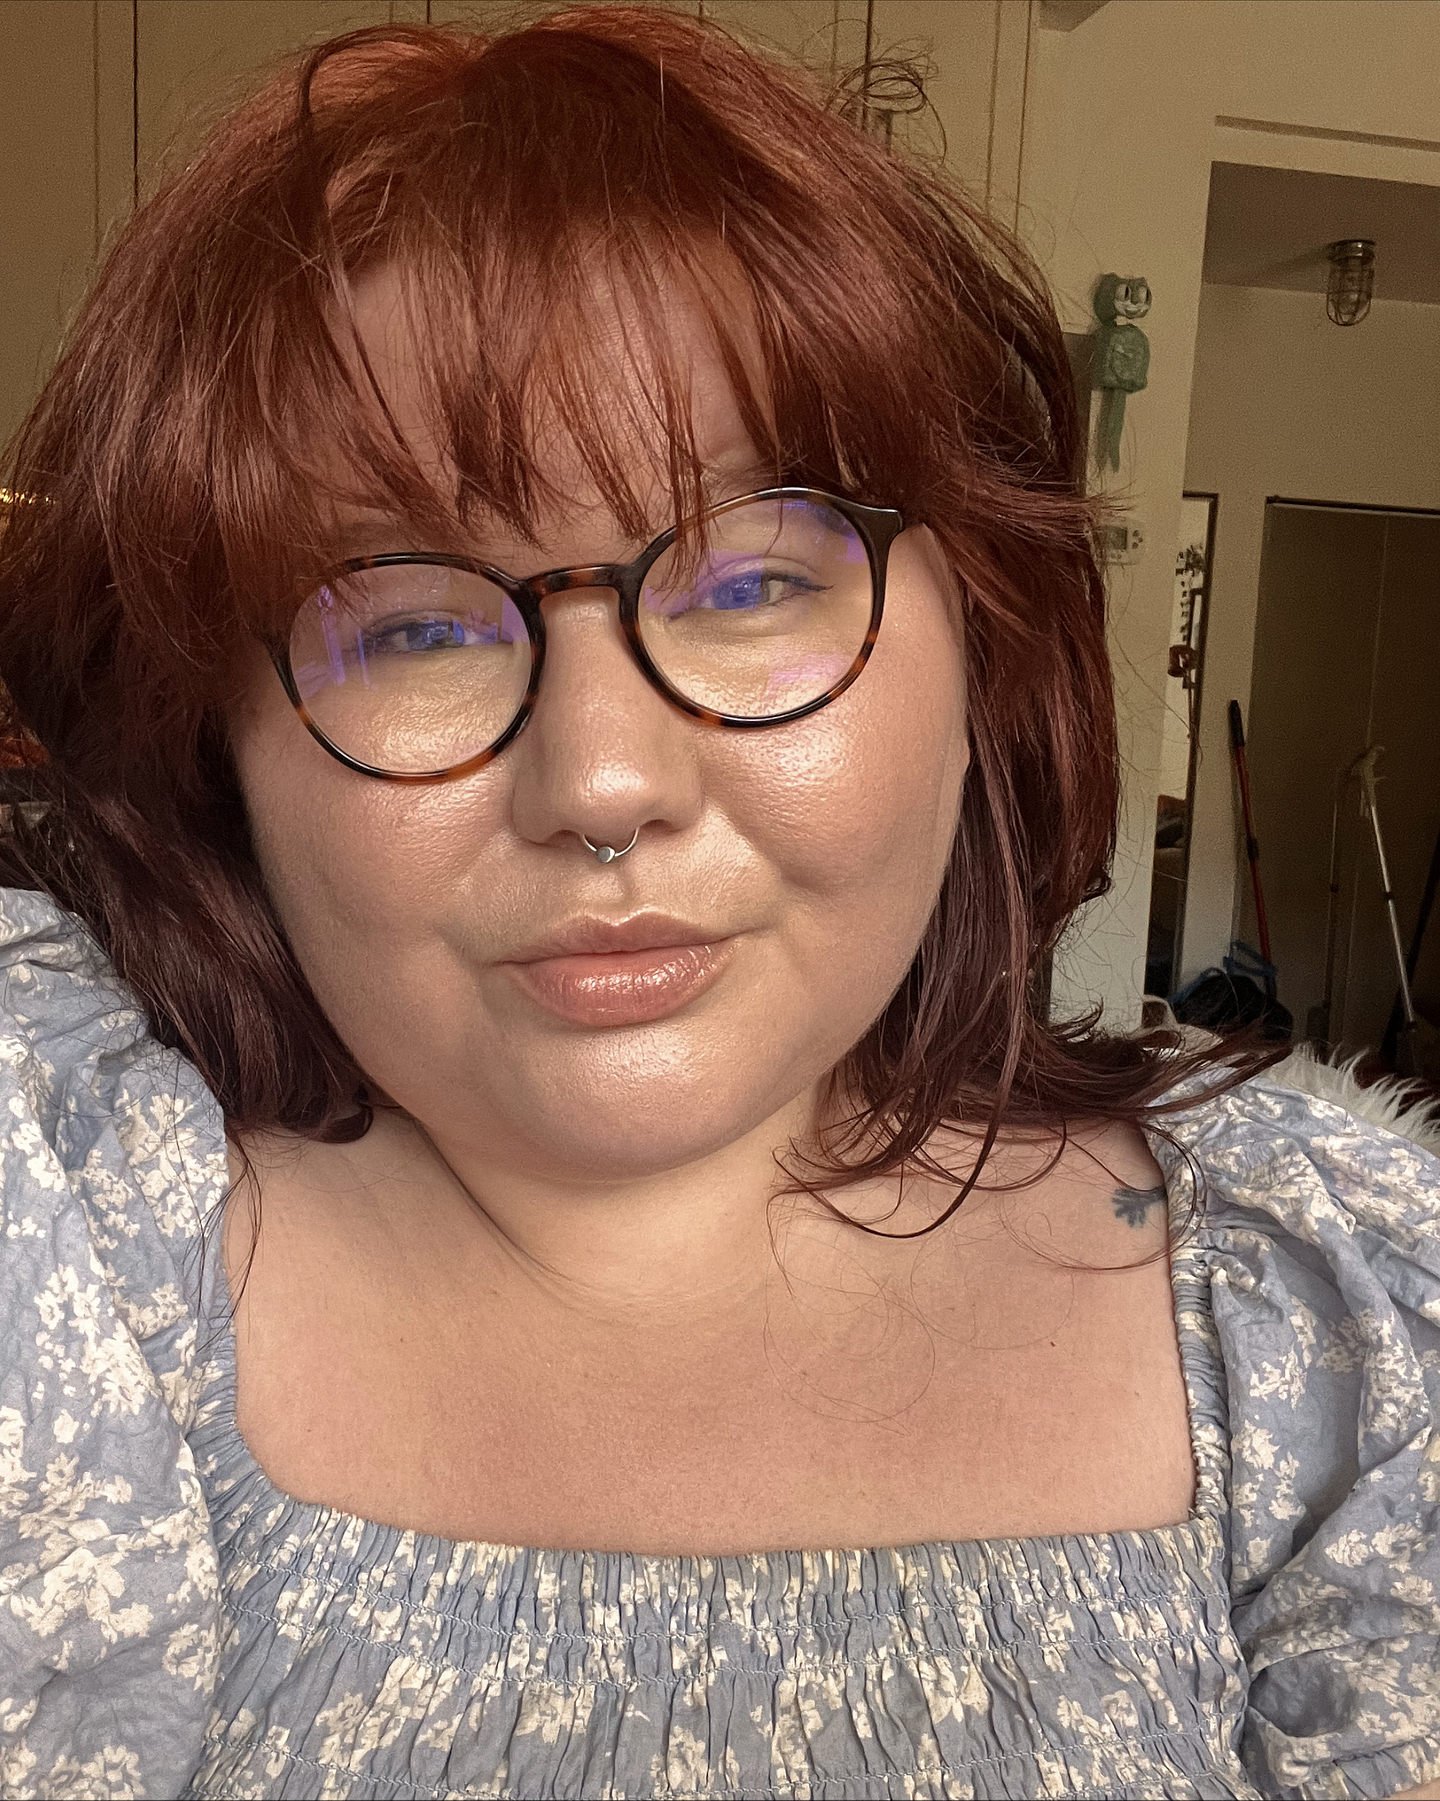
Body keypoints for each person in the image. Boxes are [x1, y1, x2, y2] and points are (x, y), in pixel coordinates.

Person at [0, 8, 1437, 1798]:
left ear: (985, 646)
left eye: (754, 578)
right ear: (213, 740)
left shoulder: (1350, 1323)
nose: (606, 781)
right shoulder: (58, 1233)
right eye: (415, 622)